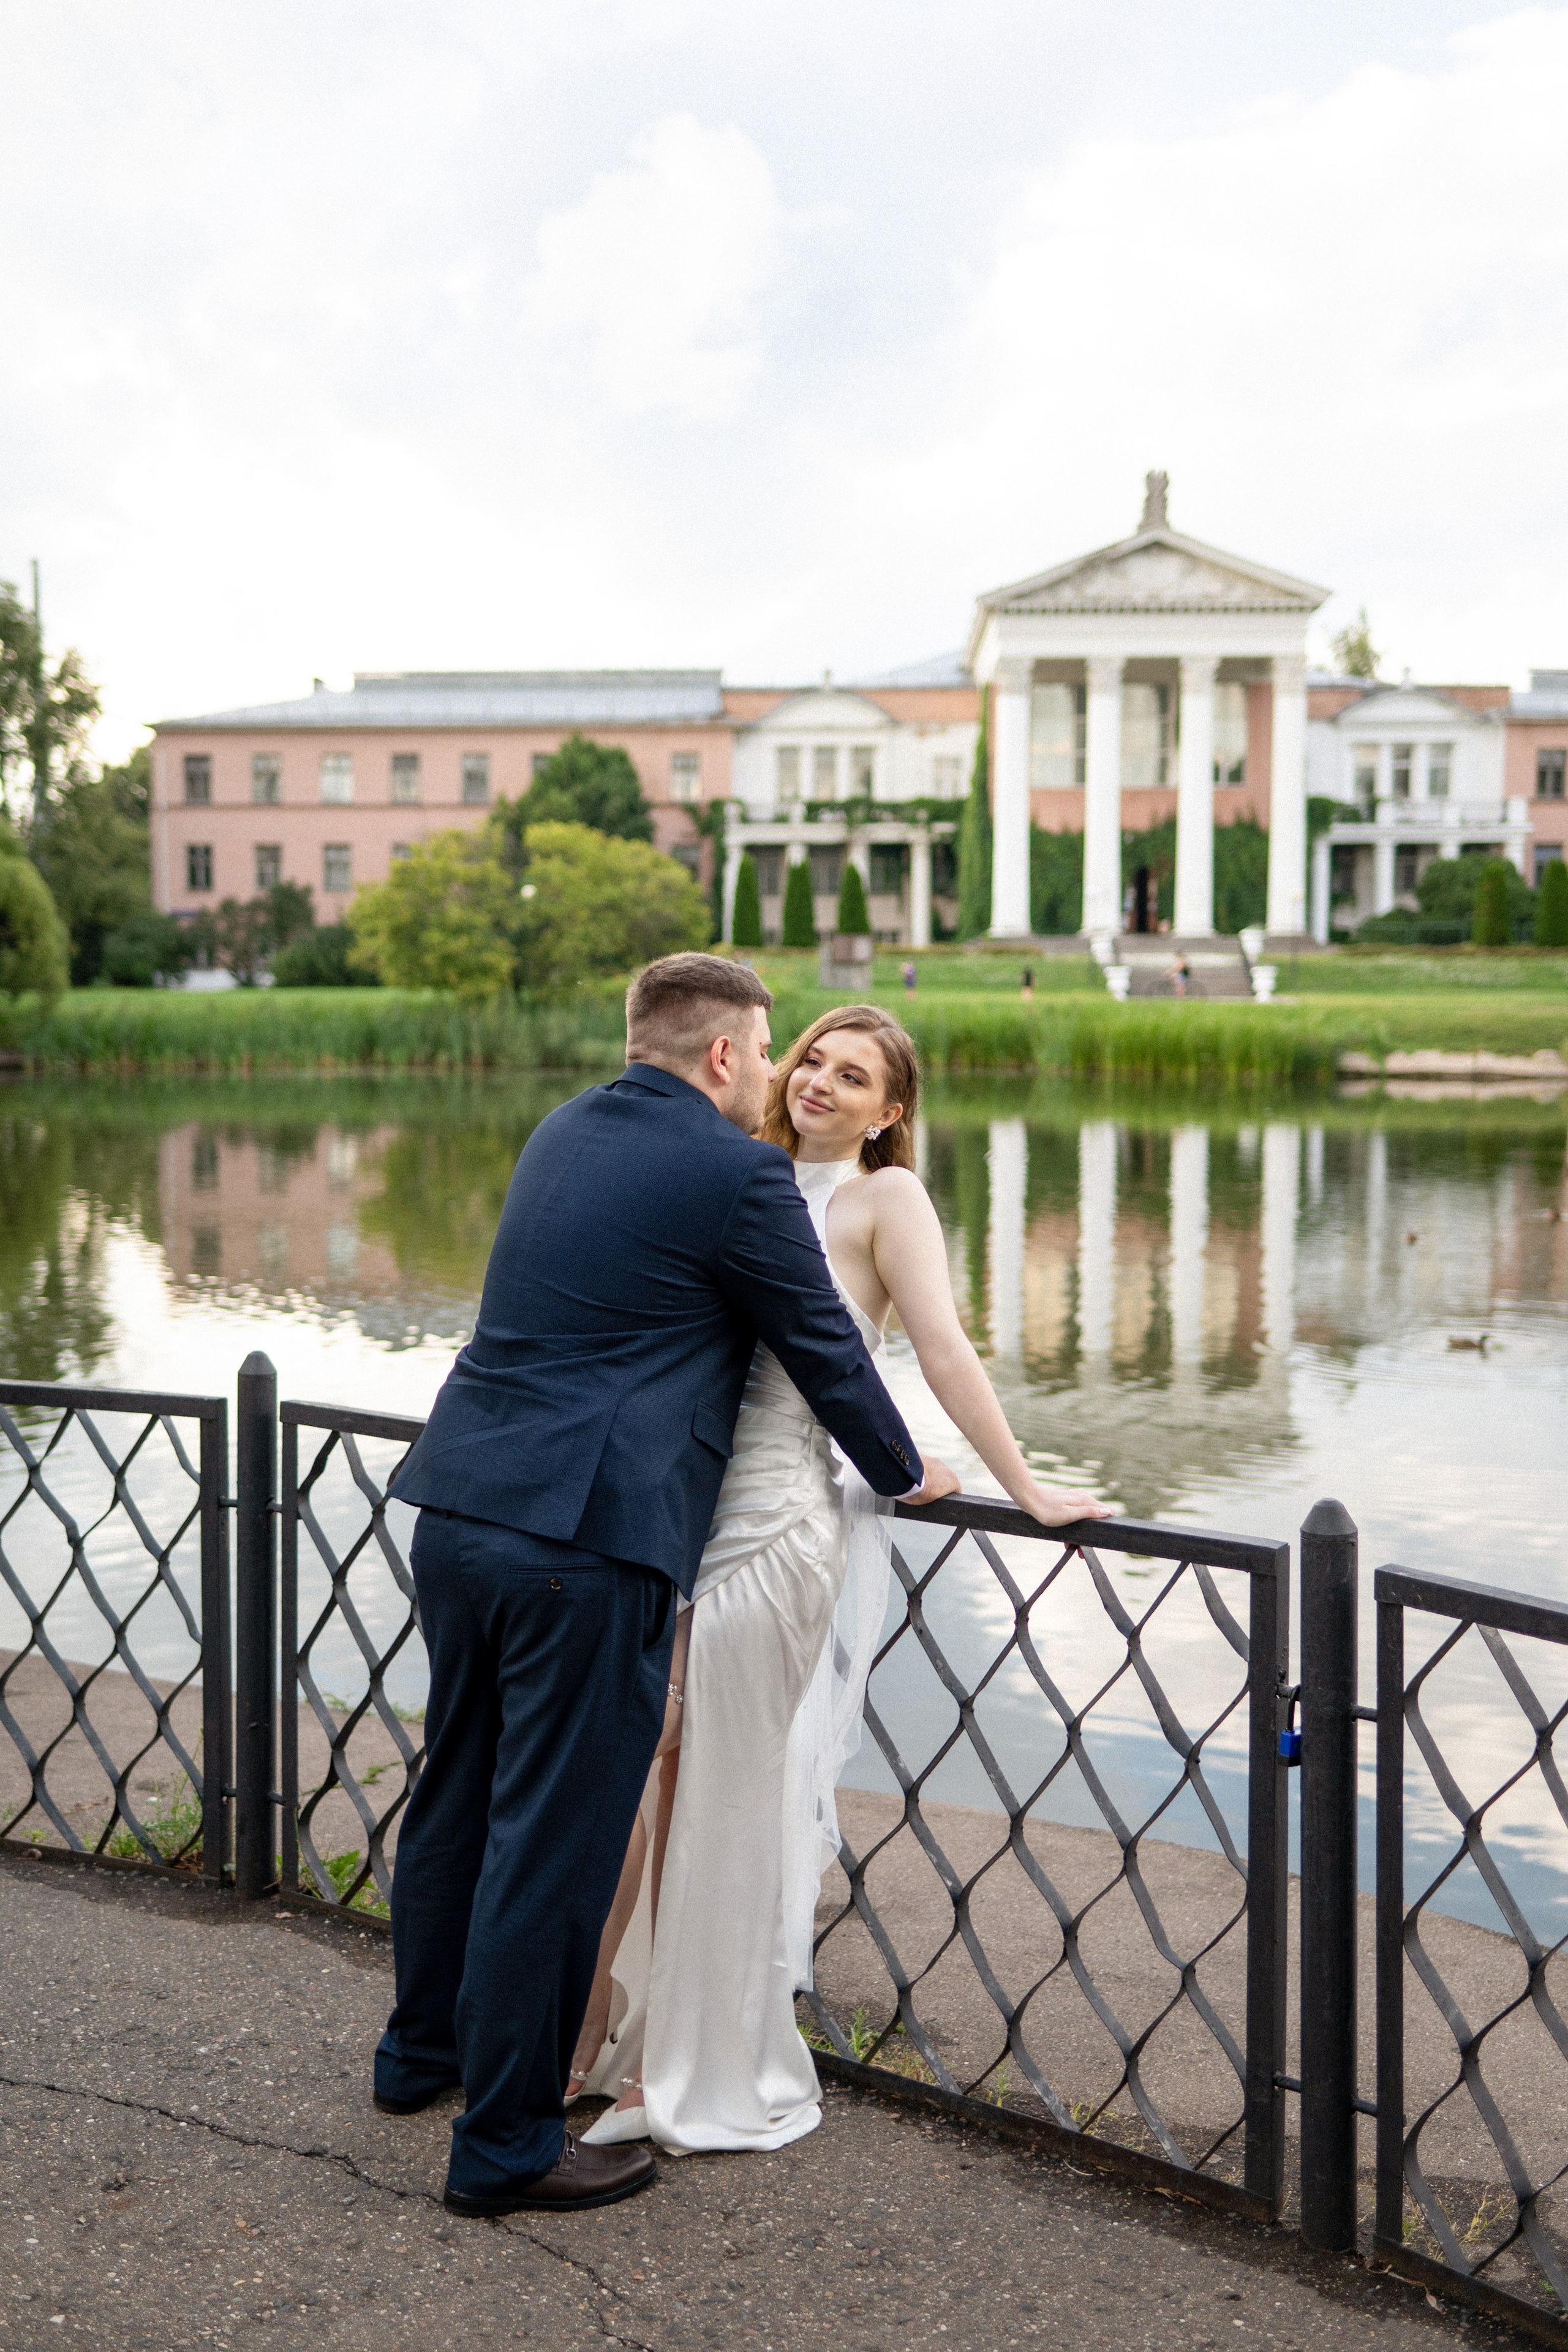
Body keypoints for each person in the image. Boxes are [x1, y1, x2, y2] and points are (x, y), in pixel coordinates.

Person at [375, 956, 954, 2218]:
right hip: (584, 1541)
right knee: (553, 1840)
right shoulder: (734, 1171)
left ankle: (418, 2057)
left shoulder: (557, 1130)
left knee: (458, 1791)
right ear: (723, 1057)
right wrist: (905, 1472)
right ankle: (507, 2143)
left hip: (461, 1504)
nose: (774, 1072)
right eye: (765, 1052)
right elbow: (821, 1348)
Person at [571, 1003, 1109, 2156]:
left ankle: (684, 2070)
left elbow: (944, 1347)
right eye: (810, 1056)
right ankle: (612, 2039)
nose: (818, 1080)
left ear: (891, 1111)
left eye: (853, 1074)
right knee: (651, 1783)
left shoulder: (885, 1201)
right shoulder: (740, 1169)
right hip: (683, 1518)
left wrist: (1024, 1487)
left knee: (717, 1792)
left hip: (778, 1525)